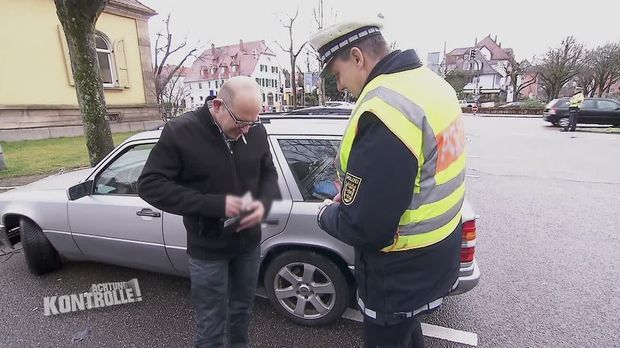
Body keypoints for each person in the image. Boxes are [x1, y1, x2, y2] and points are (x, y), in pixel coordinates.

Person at [309, 19, 465, 348]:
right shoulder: (432, 85)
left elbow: (365, 227)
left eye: (337, 74)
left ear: (357, 57)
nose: (340, 87)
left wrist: (327, 213)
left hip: (398, 269)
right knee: (407, 332)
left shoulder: (385, 110)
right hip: (438, 250)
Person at [137, 76, 280, 348]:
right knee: (211, 325)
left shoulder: (254, 129)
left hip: (248, 244)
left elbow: (268, 173)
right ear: (218, 105)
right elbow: (150, 185)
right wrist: (216, 205)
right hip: (208, 248)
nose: (247, 131)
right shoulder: (181, 132)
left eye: (253, 122)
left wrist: (263, 202)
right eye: (241, 122)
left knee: (241, 312)